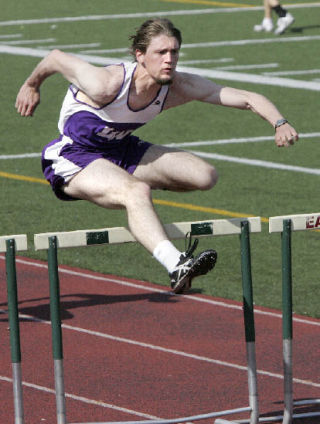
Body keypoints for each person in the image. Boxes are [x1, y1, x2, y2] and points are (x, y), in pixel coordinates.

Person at [15, 18, 298, 294]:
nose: (169, 59)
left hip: (122, 151)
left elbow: (246, 98)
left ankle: (131, 198)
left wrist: (280, 122)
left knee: (205, 176)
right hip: (74, 155)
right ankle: (176, 264)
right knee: (137, 191)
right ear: (140, 55)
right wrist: (31, 84)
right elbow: (54, 57)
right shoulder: (107, 83)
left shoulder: (178, 86)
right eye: (161, 52)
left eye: (174, 52)